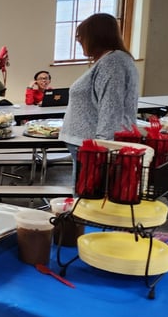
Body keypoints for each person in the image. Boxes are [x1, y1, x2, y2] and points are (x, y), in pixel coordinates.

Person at [60, 13, 139, 188]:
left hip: (93, 148)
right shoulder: (111, 60)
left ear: (95, 36)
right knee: (87, 194)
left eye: (81, 36)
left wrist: (103, 148)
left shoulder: (113, 63)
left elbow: (111, 108)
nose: (79, 41)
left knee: (90, 196)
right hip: (88, 145)